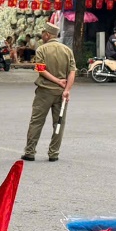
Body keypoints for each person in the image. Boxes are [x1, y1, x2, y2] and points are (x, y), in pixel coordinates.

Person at [23, 22, 76, 163]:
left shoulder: (42, 49)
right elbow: (72, 72)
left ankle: (30, 152)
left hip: (44, 92)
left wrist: (57, 81)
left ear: (47, 34)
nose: (42, 35)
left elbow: (41, 69)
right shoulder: (67, 50)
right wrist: (67, 90)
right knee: (58, 123)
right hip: (61, 93)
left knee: (36, 122)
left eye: (43, 33)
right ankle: (54, 153)